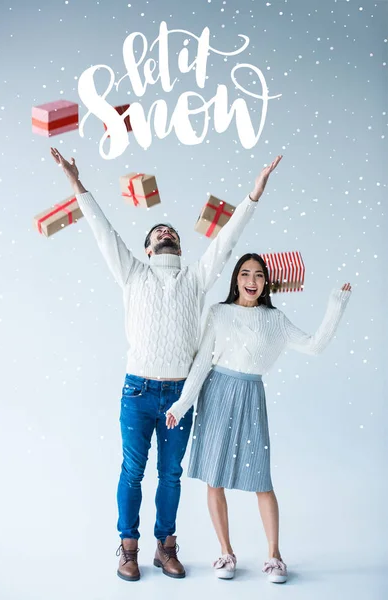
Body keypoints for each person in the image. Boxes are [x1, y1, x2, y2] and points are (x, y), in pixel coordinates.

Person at [50, 148, 282, 582]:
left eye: (171, 231)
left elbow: (227, 240)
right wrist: (75, 182)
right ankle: (128, 549)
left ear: (178, 245)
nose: (165, 233)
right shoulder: (132, 273)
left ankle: (166, 547)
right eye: (157, 231)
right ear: (147, 247)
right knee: (133, 471)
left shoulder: (195, 279)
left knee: (171, 475)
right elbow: (102, 231)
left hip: (180, 393)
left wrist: (253, 194)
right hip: (137, 391)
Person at [166, 253, 352, 583]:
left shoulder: (275, 319)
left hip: (251, 396)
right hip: (216, 393)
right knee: (214, 477)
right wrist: (181, 406)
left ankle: (275, 555)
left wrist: (336, 305)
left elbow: (314, 346)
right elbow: (201, 364)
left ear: (267, 282)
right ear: (235, 279)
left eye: (258, 275)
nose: (251, 281)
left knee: (261, 482)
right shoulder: (218, 313)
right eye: (245, 274)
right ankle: (225, 551)